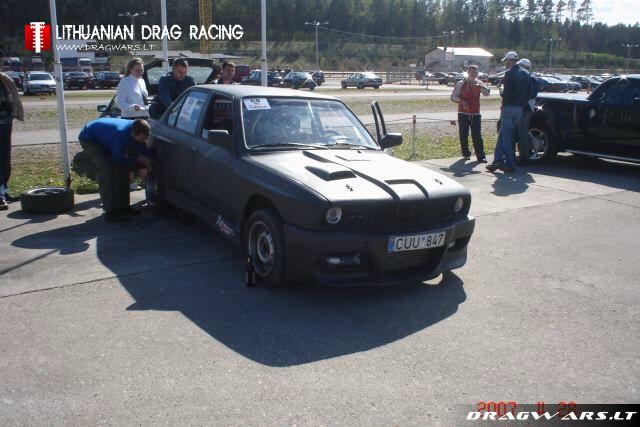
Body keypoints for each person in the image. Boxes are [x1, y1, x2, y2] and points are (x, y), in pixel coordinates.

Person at [78, 118, 154, 223]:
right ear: (133, 134)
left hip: (106, 137)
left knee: (123, 170)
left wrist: (152, 159)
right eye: (141, 139)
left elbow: (142, 147)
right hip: (90, 138)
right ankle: (110, 212)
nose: (144, 140)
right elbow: (118, 160)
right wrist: (138, 160)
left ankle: (123, 206)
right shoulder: (120, 136)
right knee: (107, 170)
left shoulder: (137, 129)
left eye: (145, 138)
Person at [487, 51, 530, 173]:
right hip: (519, 109)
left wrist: (502, 92)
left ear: (510, 61)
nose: (506, 63)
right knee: (503, 134)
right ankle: (497, 160)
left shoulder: (509, 73)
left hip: (509, 107)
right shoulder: (526, 73)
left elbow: (506, 93)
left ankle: (509, 163)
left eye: (506, 61)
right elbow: (528, 92)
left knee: (506, 137)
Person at [117, 58, 149, 191]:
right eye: (137, 70)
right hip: (130, 119)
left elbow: (145, 98)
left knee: (143, 149)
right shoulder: (125, 81)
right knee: (130, 151)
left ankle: (145, 180)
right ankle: (130, 181)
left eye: (141, 69)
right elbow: (120, 103)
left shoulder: (141, 81)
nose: (140, 72)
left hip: (144, 116)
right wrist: (131, 107)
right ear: (130, 69)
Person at [451, 64, 491, 162]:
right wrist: (462, 101)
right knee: (463, 134)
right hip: (463, 112)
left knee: (477, 135)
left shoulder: (479, 83)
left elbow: (487, 94)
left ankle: (481, 156)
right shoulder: (461, 83)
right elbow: (453, 96)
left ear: (477, 73)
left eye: (475, 72)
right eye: (471, 72)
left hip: (475, 113)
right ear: (467, 73)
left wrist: (481, 87)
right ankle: (465, 154)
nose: (473, 74)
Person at [0, 58, 25, 210]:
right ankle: (0, 196)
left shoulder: (4, 79)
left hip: (5, 123)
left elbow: (11, 100)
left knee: (5, 159)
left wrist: (11, 115)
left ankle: (4, 191)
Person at [514, 58, 538, 166]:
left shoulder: (530, 78)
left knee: (522, 133)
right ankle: (524, 155)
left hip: (525, 108)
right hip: (524, 108)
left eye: (520, 66)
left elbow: (531, 94)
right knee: (521, 133)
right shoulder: (529, 77)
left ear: (524, 67)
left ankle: (524, 157)